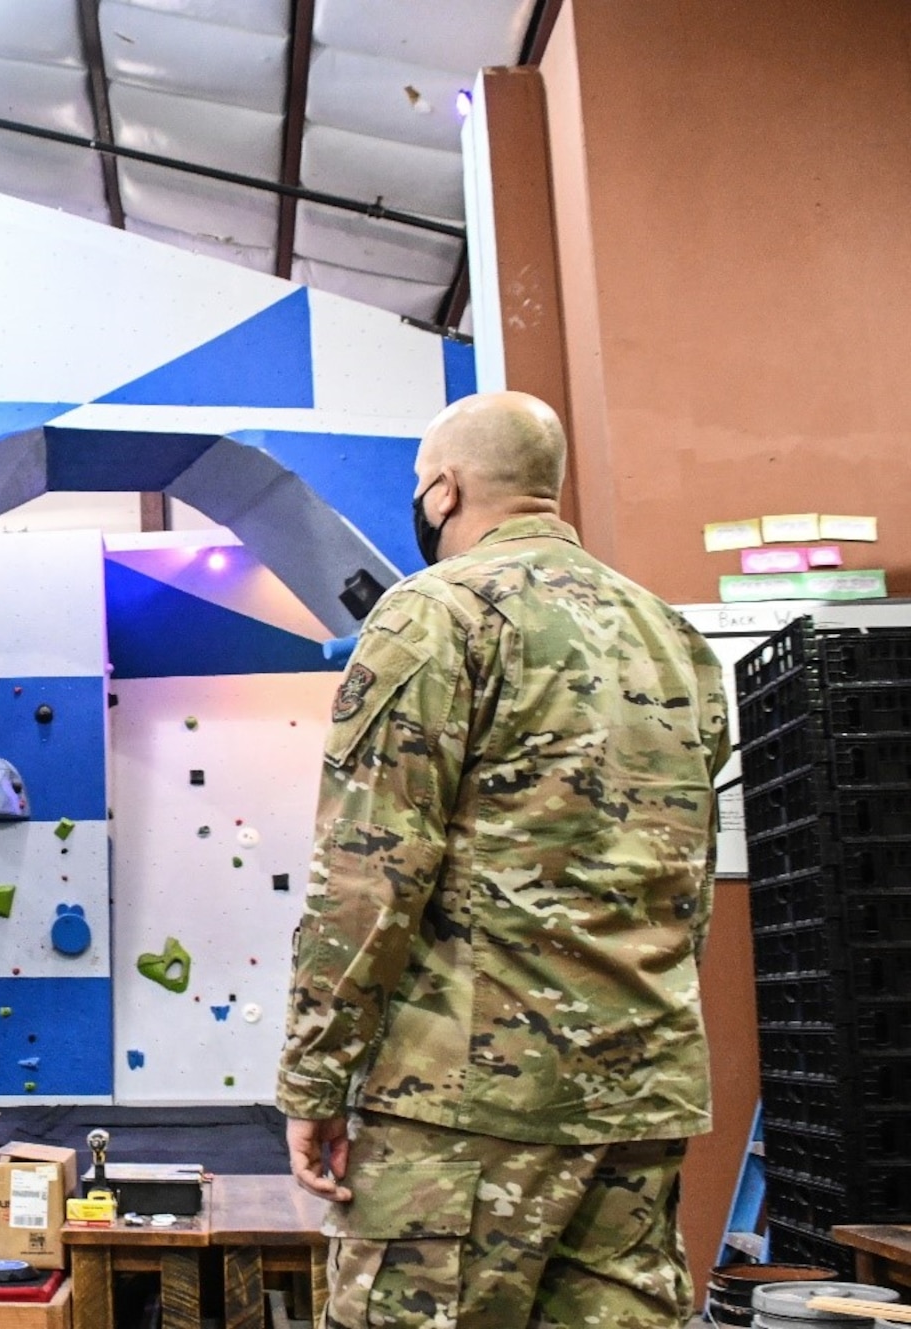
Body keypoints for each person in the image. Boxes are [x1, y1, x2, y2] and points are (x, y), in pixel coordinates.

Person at [278, 391, 730, 1328]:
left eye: (420, 486)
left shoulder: (435, 614)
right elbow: (689, 874)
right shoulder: (673, 637)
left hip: (465, 1104)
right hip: (638, 1098)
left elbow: (369, 875)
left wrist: (316, 1081)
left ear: (443, 491)